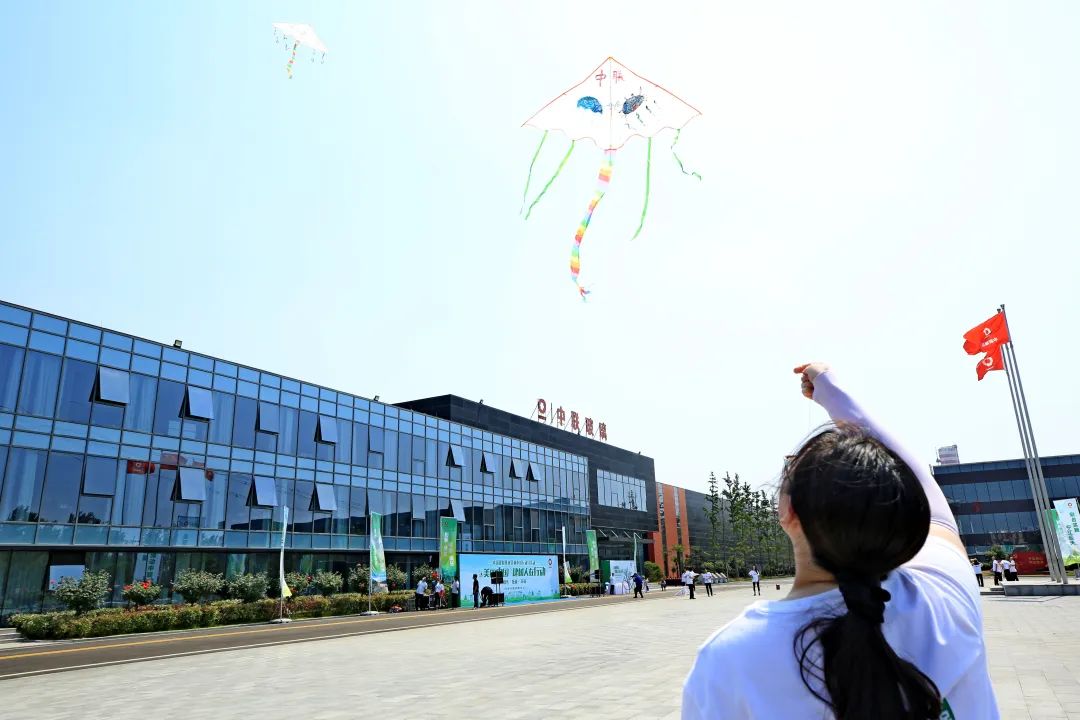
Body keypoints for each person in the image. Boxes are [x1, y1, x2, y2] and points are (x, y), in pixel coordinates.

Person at [683, 363, 997, 719]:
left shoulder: (731, 662)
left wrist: (830, 393)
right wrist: (833, 394)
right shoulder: (943, 594)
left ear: (787, 511)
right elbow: (923, 488)